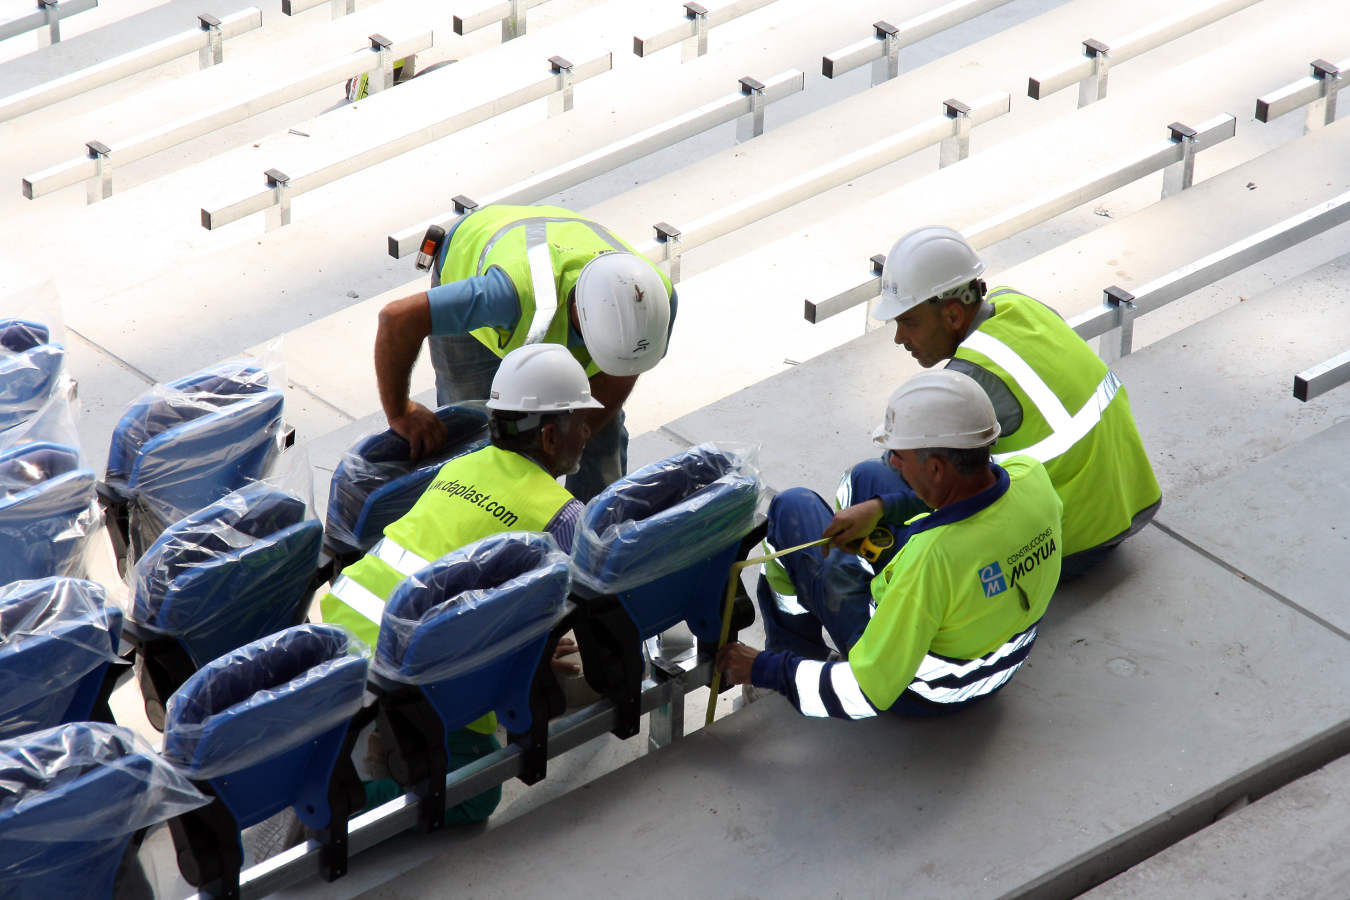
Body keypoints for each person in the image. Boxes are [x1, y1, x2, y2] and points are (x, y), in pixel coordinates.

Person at [321, 342, 598, 822]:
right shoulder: (563, 515)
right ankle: (341, 806)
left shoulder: (461, 465)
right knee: (476, 795)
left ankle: (379, 738)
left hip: (342, 630)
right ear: (551, 438)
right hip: (412, 662)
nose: (589, 432)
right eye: (580, 421)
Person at [718, 370, 1063, 719]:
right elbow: (973, 488)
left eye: (900, 455)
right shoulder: (1031, 474)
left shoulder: (932, 561)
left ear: (937, 469)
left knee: (793, 508)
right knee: (870, 477)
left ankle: (795, 653)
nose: (893, 461)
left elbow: (864, 693)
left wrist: (765, 668)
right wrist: (883, 507)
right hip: (1001, 652)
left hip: (928, 691)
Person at [833, 225, 1160, 582]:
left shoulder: (967, 381)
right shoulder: (1017, 303)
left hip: (1065, 545)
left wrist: (880, 505)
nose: (899, 338)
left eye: (908, 322)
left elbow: (915, 474)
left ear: (953, 316)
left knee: (873, 479)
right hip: (1132, 503)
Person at [374, 203, 676, 503]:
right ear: (577, 311)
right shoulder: (507, 295)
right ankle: (476, 508)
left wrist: (572, 439)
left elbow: (621, 373)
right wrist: (400, 411)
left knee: (600, 435)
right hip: (477, 264)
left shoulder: (653, 300)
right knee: (477, 424)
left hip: (557, 246)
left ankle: (592, 525)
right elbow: (397, 319)